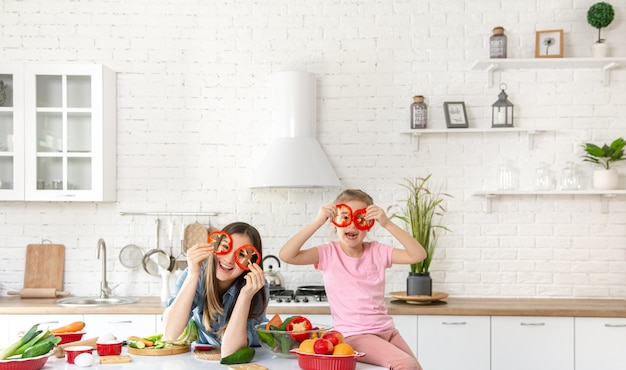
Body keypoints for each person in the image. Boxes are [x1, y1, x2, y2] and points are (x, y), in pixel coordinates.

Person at [279, 189, 425, 370]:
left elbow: (418, 255)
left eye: (361, 219)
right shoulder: (328, 253)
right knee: (406, 364)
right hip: (355, 334)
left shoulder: (378, 251)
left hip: (388, 331)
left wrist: (387, 223)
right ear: (334, 223)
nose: (352, 225)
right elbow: (287, 255)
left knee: (416, 367)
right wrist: (318, 222)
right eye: (345, 218)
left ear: (370, 224)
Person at [163, 221, 268, 357]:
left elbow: (232, 354)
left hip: (251, 354)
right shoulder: (195, 273)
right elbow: (170, 333)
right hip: (203, 355)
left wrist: (245, 296)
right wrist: (193, 274)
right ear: (215, 245)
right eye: (225, 246)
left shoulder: (256, 286)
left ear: (251, 262)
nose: (229, 259)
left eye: (242, 254)